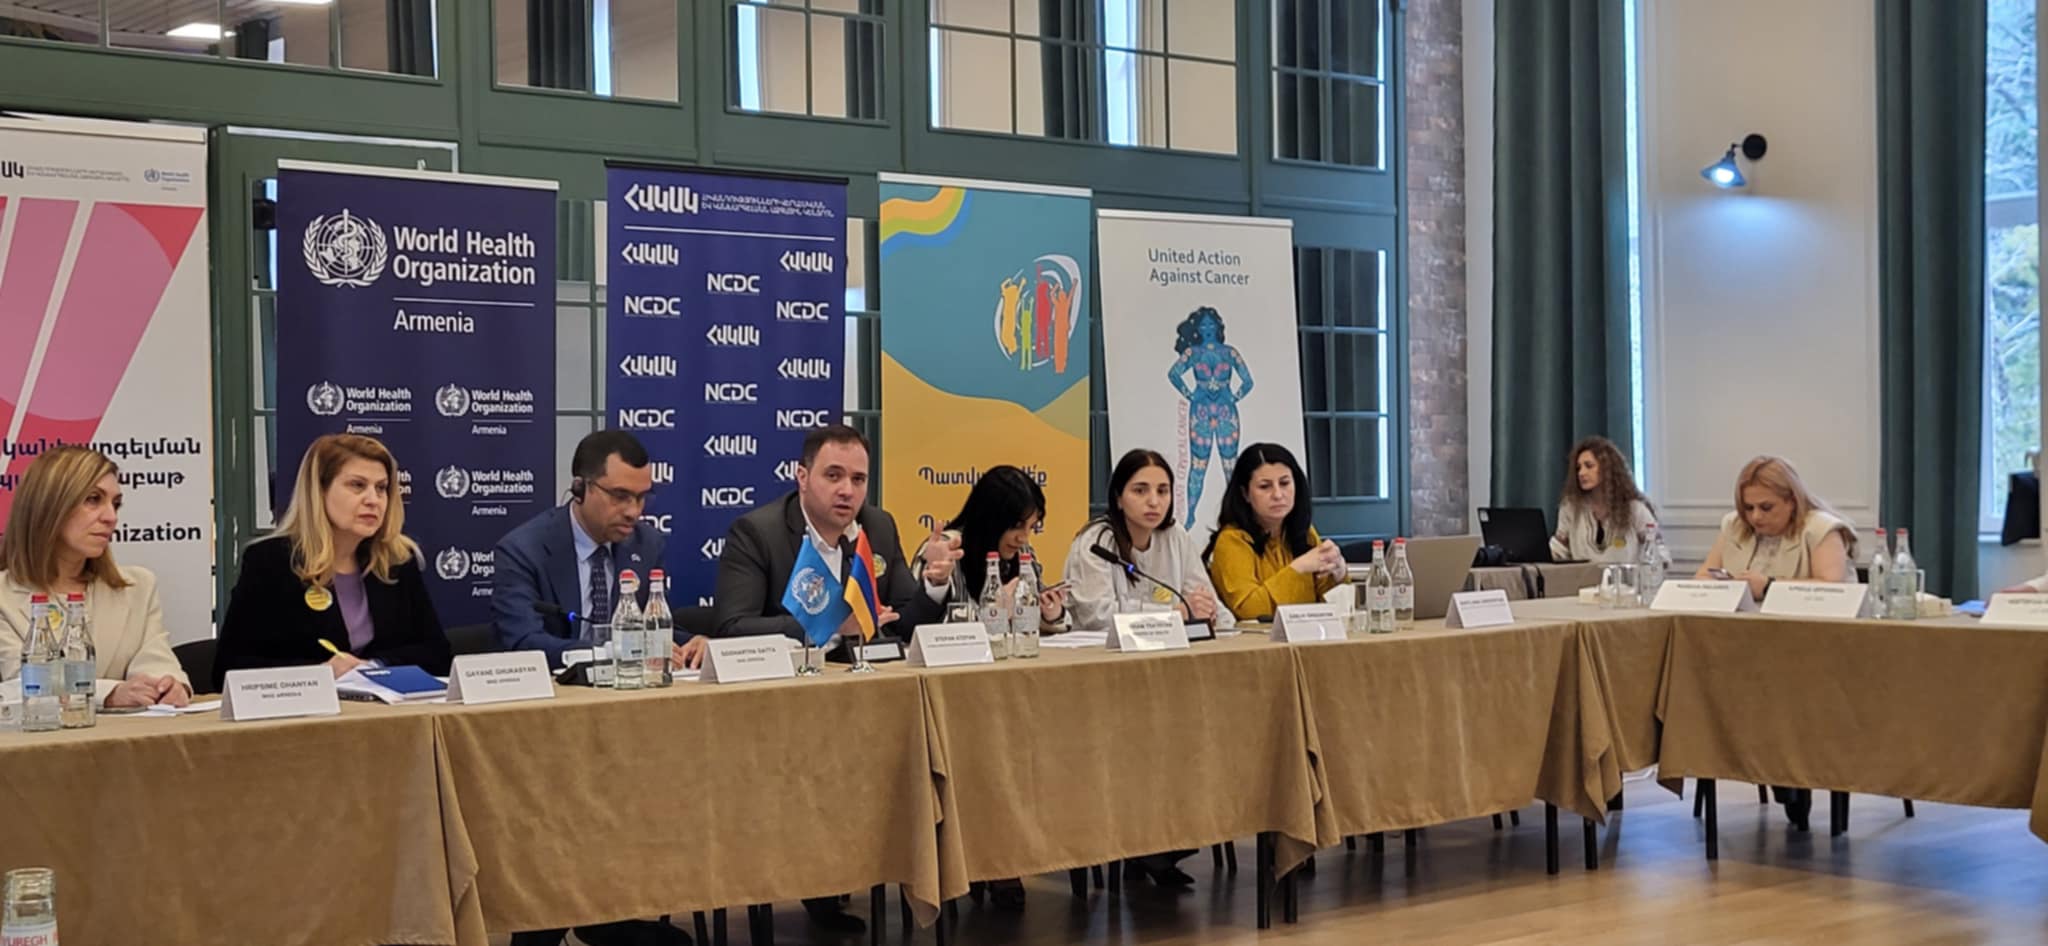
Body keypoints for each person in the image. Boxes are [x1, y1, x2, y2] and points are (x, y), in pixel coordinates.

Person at [709, 423, 936, 935]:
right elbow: (731, 626)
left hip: (865, 705)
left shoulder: (877, 526)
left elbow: (904, 615)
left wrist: (935, 586)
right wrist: (831, 622)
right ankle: (817, 879)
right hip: (781, 713)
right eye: (833, 476)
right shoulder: (759, 532)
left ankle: (867, 872)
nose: (847, 491)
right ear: (801, 477)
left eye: (858, 479)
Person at [1695, 454, 1856, 833]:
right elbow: (1702, 577)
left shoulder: (1822, 529)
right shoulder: (1733, 526)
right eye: (1748, 507)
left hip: (1814, 656)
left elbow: (1834, 590)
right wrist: (1722, 583)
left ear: (1792, 500)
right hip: (1745, 651)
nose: (1755, 517)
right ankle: (1776, 771)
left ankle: (1790, 774)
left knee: (1780, 691)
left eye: (1766, 507)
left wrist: (1768, 587)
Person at [214, 434, 452, 689]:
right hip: (307, 709)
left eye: (381, 488)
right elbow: (228, 669)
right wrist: (320, 673)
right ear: (319, 491)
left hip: (383, 706)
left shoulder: (396, 560)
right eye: (357, 485)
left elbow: (438, 654)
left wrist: (375, 666)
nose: (373, 499)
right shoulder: (271, 562)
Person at [493, 430, 704, 671]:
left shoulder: (647, 544)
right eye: (620, 496)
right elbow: (523, 643)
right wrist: (612, 653)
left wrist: (693, 645)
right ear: (580, 489)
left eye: (641, 497)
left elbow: (652, 630)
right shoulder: (523, 551)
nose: (633, 512)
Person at [0, 446, 189, 708]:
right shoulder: (4, 597)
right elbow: (21, 684)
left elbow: (155, 659)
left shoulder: (138, 586)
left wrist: (167, 687)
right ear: (49, 506)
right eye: (93, 500)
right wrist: (109, 694)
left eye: (116, 504)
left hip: (133, 734)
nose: (111, 517)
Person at [1066, 448, 1234, 633]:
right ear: (1118, 498)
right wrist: (1174, 613)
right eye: (1140, 491)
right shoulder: (1096, 542)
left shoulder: (1175, 535)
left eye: (1162, 491)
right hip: (1101, 649)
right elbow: (1097, 617)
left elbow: (1213, 608)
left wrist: (1209, 612)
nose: (1154, 501)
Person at [913, 465, 1072, 639]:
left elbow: (1034, 613)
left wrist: (1051, 614)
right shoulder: (946, 550)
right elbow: (929, 629)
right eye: (1016, 526)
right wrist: (994, 612)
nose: (1023, 538)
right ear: (990, 519)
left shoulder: (1022, 552)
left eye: (1031, 527)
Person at [1203, 442, 1345, 622]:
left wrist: (1339, 574)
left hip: (1309, 633)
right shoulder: (1232, 540)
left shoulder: (1305, 532)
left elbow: (1333, 605)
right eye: (1265, 486)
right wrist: (1297, 568)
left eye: (1284, 483)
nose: (1278, 494)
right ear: (1245, 494)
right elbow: (1250, 610)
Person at [1166, 306, 1254, 516]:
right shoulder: (1193, 353)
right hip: (1201, 412)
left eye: (1210, 324)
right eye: (1203, 325)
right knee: (1198, 465)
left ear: (1217, 327)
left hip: (1226, 412)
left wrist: (1234, 397)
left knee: (1231, 464)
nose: (1207, 328)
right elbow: (1173, 373)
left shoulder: (1229, 352)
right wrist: (1189, 394)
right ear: (1197, 329)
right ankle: (1190, 514)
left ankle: (1238, 513)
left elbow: (1248, 381)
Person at [1550, 435, 1668, 564]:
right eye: (1579, 468)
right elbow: (1557, 550)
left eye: (1589, 466)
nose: (1581, 473)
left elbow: (1659, 554)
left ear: (1607, 469)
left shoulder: (1634, 509)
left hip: (1625, 577)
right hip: (1581, 577)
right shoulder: (1571, 508)